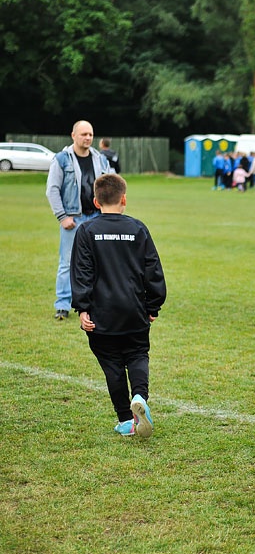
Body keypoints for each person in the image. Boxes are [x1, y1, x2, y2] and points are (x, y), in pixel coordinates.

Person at [70, 174, 166, 438]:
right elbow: (153, 270)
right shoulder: (138, 229)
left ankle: (126, 420)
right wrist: (153, 305)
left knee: (111, 364)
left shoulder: (86, 231)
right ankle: (139, 396)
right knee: (137, 354)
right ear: (124, 199)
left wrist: (83, 308)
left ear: (95, 201)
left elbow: (82, 272)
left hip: (101, 315)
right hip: (134, 310)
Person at [46, 120, 113, 321]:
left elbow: (112, 183)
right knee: (67, 262)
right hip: (73, 220)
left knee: (99, 262)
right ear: (73, 135)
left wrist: (108, 213)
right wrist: (62, 216)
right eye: (83, 134)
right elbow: (52, 189)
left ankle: (96, 302)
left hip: (97, 218)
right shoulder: (62, 160)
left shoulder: (100, 160)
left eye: (90, 134)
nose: (87, 138)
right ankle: (63, 305)